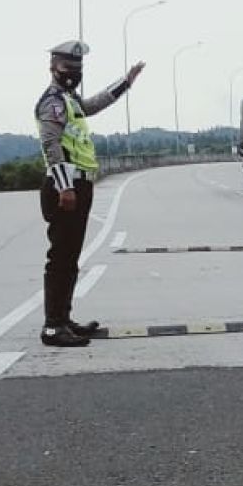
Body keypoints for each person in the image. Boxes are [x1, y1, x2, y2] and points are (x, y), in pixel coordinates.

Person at [35, 40, 145, 347]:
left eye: (78, 68)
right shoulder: (53, 101)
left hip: (79, 184)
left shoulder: (69, 100)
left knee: (70, 258)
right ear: (53, 68)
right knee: (60, 258)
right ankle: (53, 326)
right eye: (67, 67)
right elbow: (51, 144)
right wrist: (65, 186)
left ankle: (63, 319)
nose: (73, 72)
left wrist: (125, 82)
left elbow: (95, 103)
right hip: (65, 186)